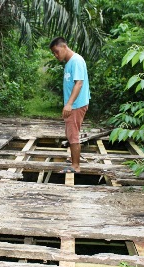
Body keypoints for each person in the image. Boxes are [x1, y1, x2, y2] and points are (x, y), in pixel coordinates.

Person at [49, 36, 90, 173]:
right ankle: (74, 160)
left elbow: (79, 83)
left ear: (64, 47)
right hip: (72, 105)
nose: (56, 55)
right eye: (53, 53)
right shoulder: (69, 63)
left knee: (73, 135)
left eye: (56, 51)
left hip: (76, 105)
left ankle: (76, 166)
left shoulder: (76, 61)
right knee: (70, 132)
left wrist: (69, 104)